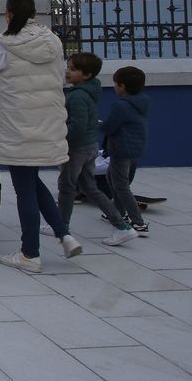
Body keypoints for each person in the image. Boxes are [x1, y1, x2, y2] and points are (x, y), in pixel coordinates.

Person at [0, 0, 82, 273]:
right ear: (35, 13)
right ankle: (63, 234)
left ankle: (30, 254)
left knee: (24, 190)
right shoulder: (53, 41)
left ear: (8, 13)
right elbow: (58, 78)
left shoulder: (1, 44)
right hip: (47, 122)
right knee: (32, 180)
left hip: (15, 126)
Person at [47, 52, 138, 246]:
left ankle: (62, 225)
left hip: (76, 148)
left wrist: (59, 135)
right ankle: (121, 225)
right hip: (88, 146)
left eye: (73, 69)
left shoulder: (78, 96)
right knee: (89, 188)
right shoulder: (87, 91)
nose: (67, 71)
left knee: (66, 186)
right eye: (68, 67)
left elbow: (78, 125)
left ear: (86, 75)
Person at [101, 66, 151, 236]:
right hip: (134, 147)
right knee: (112, 178)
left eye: (115, 84)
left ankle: (138, 222)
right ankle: (117, 212)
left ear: (121, 86)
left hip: (120, 149)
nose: (114, 87)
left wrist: (98, 124)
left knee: (121, 185)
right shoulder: (142, 101)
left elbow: (110, 127)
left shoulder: (121, 106)